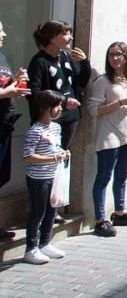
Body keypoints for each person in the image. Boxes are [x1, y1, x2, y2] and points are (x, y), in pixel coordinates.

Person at [27, 20, 91, 223]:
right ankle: (46, 210)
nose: (70, 38)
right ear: (52, 37)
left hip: (70, 118)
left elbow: (80, 81)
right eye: (65, 33)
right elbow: (34, 93)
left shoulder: (65, 57)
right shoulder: (39, 62)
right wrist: (62, 100)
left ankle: (55, 205)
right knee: (48, 163)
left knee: (62, 158)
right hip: (48, 123)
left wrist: (85, 63)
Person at [87, 42, 127, 238]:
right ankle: (100, 219)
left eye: (119, 54)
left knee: (122, 175)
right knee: (103, 176)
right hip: (108, 134)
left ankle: (119, 212)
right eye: (111, 54)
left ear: (126, 57)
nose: (115, 58)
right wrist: (120, 102)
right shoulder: (102, 81)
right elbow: (94, 110)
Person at [22, 90, 68, 264]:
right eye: (56, 106)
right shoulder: (35, 130)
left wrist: (63, 153)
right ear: (44, 107)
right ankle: (31, 248)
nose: (60, 109)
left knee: (51, 210)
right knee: (38, 212)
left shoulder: (56, 127)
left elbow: (56, 148)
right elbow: (28, 156)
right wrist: (53, 157)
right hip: (38, 178)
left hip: (54, 175)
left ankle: (45, 243)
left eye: (60, 106)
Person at [0, 19, 29, 239]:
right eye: (0, 30)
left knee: (3, 175)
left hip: (5, 122)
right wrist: (9, 91)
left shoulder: (2, 56)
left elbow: (5, 85)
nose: (4, 34)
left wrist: (17, 81)